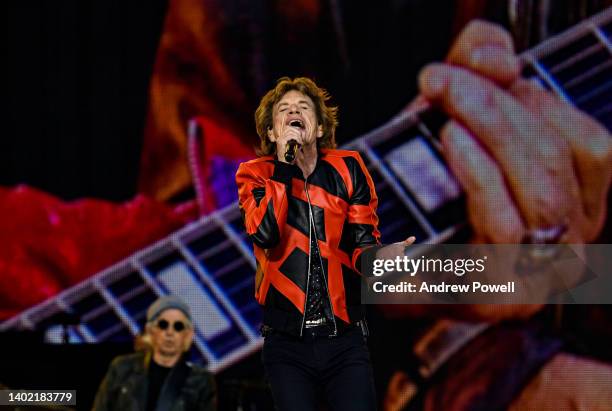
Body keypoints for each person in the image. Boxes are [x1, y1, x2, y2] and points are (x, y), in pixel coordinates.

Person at [236, 76, 414, 411]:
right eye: (284, 110)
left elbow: (362, 243)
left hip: (344, 337)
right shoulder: (254, 174)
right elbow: (266, 233)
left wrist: (381, 259)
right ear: (273, 133)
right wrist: (284, 169)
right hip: (287, 343)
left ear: (319, 128)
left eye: (303, 108)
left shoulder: (348, 168)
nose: (294, 113)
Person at [92, 296, 217, 411]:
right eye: (163, 325)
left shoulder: (201, 381)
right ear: (151, 331)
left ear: (187, 335)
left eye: (178, 327)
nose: (170, 333)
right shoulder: (122, 367)